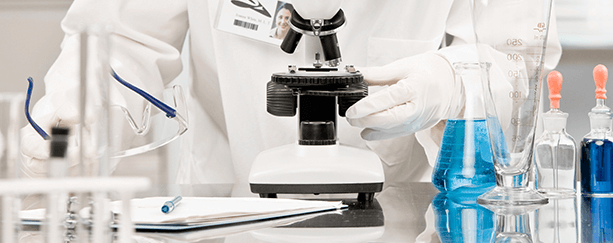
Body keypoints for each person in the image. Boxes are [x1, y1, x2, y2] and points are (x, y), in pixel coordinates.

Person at [20, 0, 561, 196]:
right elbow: (118, 38)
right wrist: (80, 116)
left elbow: (520, 58)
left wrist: (452, 79)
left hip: (403, 215)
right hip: (230, 208)